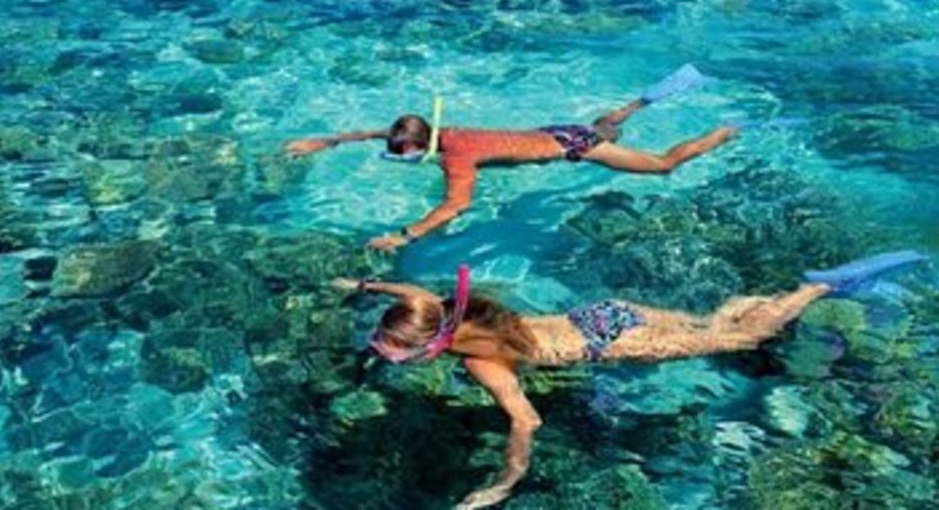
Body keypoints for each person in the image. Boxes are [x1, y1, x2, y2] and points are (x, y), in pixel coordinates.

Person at [336, 251, 927, 509]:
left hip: (609, 341)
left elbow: (527, 420)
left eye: (395, 353)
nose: (388, 356)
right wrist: (361, 288)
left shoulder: (481, 363)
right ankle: (755, 299)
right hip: (604, 312)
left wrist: (504, 482)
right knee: (706, 326)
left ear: (433, 344)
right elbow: (401, 291)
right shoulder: (436, 305)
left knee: (739, 340)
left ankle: (820, 286)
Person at [286, 66, 737, 252]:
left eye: (401, 153)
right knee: (605, 125)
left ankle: (724, 131)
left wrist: (405, 236)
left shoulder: (456, 157)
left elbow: (457, 206)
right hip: (555, 131)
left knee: (662, 166)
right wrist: (325, 141)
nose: (394, 153)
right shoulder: (434, 131)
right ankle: (641, 102)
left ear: (422, 146)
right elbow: (376, 131)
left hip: (573, 146)